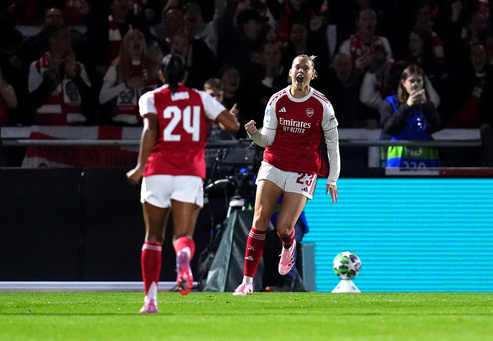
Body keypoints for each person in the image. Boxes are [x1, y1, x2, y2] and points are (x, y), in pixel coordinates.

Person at [126, 54, 240, 313]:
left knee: (153, 238)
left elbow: (150, 131)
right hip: (189, 172)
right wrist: (210, 117)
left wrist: (139, 167)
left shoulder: (150, 98)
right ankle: (183, 256)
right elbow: (232, 125)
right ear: (186, 76)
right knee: (183, 235)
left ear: (162, 76)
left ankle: (151, 300)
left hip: (158, 171)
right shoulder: (201, 98)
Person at [232, 54, 340, 296]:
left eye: (306, 68)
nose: (300, 71)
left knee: (283, 229)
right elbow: (266, 140)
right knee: (259, 220)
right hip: (274, 163)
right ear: (290, 72)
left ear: (313, 75)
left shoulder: (322, 104)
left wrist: (332, 178)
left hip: (303, 169)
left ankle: (288, 246)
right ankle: (246, 282)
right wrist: (253, 134)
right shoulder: (277, 99)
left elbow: (333, 144)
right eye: (297, 67)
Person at [380, 63, 443, 168]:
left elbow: (437, 126)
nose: (415, 85)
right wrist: (407, 106)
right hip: (398, 162)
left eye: (419, 81)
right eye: (412, 81)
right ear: (403, 83)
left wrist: (426, 106)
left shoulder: (427, 104)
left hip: (425, 162)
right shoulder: (390, 102)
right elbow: (388, 128)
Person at [98, 29, 162, 125]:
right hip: (122, 123)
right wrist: (126, 85)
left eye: (139, 38)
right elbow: (102, 98)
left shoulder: (154, 66)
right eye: (131, 38)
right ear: (125, 45)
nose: (136, 40)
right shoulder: (117, 67)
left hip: (149, 122)